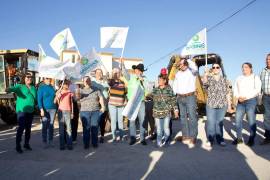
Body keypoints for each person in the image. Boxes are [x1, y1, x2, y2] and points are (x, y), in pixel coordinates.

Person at [6, 72, 36, 153]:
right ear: (24, 78)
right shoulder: (20, 86)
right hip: (21, 111)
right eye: (27, 77)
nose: (29, 78)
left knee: (28, 129)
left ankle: (26, 144)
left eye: (30, 77)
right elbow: (12, 88)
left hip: (30, 111)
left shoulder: (33, 87)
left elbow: (35, 98)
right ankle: (18, 145)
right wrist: (8, 89)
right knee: (21, 128)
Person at [202, 63, 231, 147]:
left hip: (222, 105)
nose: (215, 68)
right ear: (212, 69)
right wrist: (205, 75)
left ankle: (220, 139)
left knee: (219, 123)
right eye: (213, 67)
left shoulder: (225, 80)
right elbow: (204, 85)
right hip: (211, 104)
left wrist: (229, 105)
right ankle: (210, 139)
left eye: (217, 67)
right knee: (211, 122)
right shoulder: (209, 78)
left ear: (220, 69)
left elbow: (228, 93)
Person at [233, 62, 261, 146]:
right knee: (237, 120)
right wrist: (238, 97)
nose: (243, 69)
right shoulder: (239, 78)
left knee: (251, 120)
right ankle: (239, 138)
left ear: (250, 68)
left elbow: (257, 90)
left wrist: (246, 97)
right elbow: (235, 89)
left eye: (245, 67)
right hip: (240, 102)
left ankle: (251, 139)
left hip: (251, 101)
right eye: (243, 67)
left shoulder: (255, 77)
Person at [173, 56, 198, 147]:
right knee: (183, 117)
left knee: (192, 117)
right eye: (181, 64)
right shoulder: (177, 74)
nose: (182, 65)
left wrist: (187, 60)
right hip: (180, 97)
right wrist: (174, 95)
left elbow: (195, 67)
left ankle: (193, 136)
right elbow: (175, 85)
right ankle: (185, 136)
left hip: (190, 97)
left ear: (186, 64)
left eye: (183, 64)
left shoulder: (192, 72)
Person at [76, 76, 105, 149]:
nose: (87, 82)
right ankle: (86, 144)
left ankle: (94, 143)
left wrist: (103, 106)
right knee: (86, 128)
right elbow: (76, 99)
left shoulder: (96, 89)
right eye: (85, 81)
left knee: (94, 127)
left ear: (90, 81)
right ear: (83, 82)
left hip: (95, 111)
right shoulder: (80, 90)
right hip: (84, 111)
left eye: (88, 80)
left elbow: (100, 97)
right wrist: (78, 94)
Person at [152, 73, 178, 147]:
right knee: (159, 129)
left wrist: (176, 111)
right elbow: (151, 99)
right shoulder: (155, 90)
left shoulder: (169, 90)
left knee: (166, 128)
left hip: (167, 112)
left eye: (160, 80)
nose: (159, 81)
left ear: (165, 80)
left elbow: (173, 101)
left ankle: (166, 141)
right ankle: (159, 141)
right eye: (158, 80)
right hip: (157, 113)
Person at [127, 63, 149, 145]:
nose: (136, 71)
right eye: (136, 69)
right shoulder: (130, 77)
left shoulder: (145, 79)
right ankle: (133, 138)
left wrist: (142, 80)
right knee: (132, 121)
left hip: (141, 102)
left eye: (139, 70)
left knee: (142, 121)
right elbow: (125, 73)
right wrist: (122, 64)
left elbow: (148, 89)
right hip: (132, 102)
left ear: (141, 72)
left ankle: (142, 138)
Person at [108, 68, 127, 142]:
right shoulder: (111, 81)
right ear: (113, 73)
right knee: (113, 120)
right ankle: (114, 136)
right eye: (115, 72)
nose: (117, 74)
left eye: (118, 72)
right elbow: (109, 82)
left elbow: (125, 93)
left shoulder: (123, 82)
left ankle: (121, 136)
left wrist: (125, 100)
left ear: (120, 73)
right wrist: (113, 75)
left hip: (121, 104)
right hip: (112, 104)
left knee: (120, 121)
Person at [37, 77, 57, 148]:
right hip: (45, 109)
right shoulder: (41, 88)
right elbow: (39, 100)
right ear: (44, 80)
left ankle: (50, 140)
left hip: (53, 109)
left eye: (49, 78)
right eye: (47, 78)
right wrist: (41, 109)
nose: (48, 80)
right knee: (45, 125)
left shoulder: (52, 87)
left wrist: (56, 96)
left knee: (51, 125)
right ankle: (44, 141)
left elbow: (55, 97)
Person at [92, 68, 109, 143]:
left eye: (100, 72)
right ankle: (95, 136)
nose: (99, 74)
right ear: (95, 74)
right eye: (98, 73)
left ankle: (102, 136)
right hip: (95, 103)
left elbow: (110, 90)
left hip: (104, 104)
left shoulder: (105, 82)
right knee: (95, 121)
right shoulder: (92, 82)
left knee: (102, 121)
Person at [55, 80, 74, 150]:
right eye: (65, 84)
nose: (67, 85)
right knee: (61, 128)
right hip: (61, 111)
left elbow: (71, 102)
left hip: (68, 111)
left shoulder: (70, 92)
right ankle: (62, 145)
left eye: (67, 84)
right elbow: (55, 101)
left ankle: (69, 144)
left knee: (69, 128)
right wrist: (59, 93)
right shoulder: (59, 92)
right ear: (62, 84)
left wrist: (72, 112)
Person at [260, 53, 270, 145]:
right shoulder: (262, 71)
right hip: (266, 97)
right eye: (267, 59)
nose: (268, 61)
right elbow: (260, 85)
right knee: (266, 117)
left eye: (269, 59)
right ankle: (268, 138)